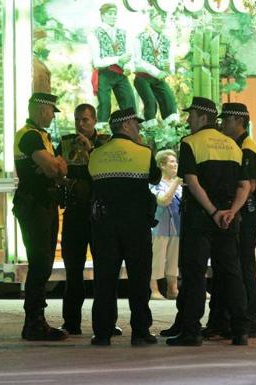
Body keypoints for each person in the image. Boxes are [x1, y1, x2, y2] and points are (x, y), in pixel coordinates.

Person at [164, 97, 252, 347]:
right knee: (231, 273)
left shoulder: (190, 143)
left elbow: (192, 182)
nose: (188, 120)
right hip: (228, 219)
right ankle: (240, 331)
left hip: (201, 219)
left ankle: (191, 331)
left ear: (203, 117)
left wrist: (213, 212)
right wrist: (230, 212)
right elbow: (244, 185)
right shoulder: (234, 146)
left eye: (191, 115)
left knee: (195, 273)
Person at [88, 107, 161, 346]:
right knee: (140, 279)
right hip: (136, 225)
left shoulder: (96, 154)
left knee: (105, 280)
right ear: (127, 125)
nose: (138, 128)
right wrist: (139, 145)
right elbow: (155, 177)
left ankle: (102, 332)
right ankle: (140, 331)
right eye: (136, 124)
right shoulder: (143, 152)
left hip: (105, 226)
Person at [56, 103, 121, 337]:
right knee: (73, 270)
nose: (80, 124)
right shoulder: (65, 143)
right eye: (77, 120)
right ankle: (71, 321)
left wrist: (91, 148)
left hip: (99, 214)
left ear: (94, 121)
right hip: (75, 213)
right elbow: (57, 170)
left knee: (106, 270)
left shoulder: (105, 143)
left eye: (85, 120)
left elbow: (107, 171)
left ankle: (106, 322)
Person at [204, 103, 256, 339]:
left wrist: (231, 210)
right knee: (233, 266)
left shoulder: (247, 147)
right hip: (240, 211)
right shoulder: (235, 145)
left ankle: (250, 319)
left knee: (243, 266)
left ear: (238, 122)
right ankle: (227, 319)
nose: (221, 125)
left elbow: (249, 186)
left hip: (246, 213)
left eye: (225, 120)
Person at [13, 92, 68, 341]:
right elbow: (53, 168)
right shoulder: (30, 136)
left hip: (44, 203)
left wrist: (55, 167)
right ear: (39, 109)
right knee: (40, 262)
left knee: (44, 263)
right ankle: (34, 322)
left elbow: (59, 169)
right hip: (33, 205)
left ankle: (36, 320)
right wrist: (55, 166)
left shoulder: (43, 137)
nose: (52, 116)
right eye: (50, 111)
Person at [88, 3, 136, 124]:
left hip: (120, 73)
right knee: (105, 105)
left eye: (115, 13)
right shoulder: (94, 33)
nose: (113, 16)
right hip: (104, 74)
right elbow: (97, 62)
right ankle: (100, 135)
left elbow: (128, 56)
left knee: (129, 102)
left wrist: (128, 67)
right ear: (103, 16)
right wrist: (119, 59)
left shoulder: (122, 32)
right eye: (110, 13)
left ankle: (130, 130)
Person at [133, 9, 179, 127]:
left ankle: (171, 130)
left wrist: (168, 68)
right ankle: (149, 129)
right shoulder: (140, 37)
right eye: (158, 19)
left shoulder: (167, 40)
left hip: (158, 79)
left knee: (169, 100)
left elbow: (170, 63)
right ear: (151, 20)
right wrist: (156, 71)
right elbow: (137, 62)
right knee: (150, 102)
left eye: (163, 19)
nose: (161, 22)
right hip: (142, 78)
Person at [149, 149, 182, 300]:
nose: (175, 164)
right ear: (162, 165)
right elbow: (163, 201)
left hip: (176, 227)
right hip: (159, 227)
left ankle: (172, 288)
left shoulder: (179, 185)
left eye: (176, 161)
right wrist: (175, 183)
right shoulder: (155, 184)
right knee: (157, 256)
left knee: (173, 258)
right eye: (171, 162)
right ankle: (153, 289)